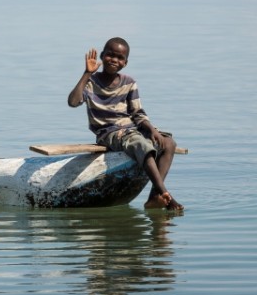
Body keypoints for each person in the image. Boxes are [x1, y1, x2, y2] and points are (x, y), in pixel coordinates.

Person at [67, 37, 184, 210]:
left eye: (120, 58)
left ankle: (154, 197)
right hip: (109, 133)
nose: (114, 60)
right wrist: (87, 73)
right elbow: (73, 102)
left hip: (131, 129)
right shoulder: (91, 83)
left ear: (125, 63)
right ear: (102, 56)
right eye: (110, 55)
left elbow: (137, 113)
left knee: (168, 143)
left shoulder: (129, 82)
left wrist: (151, 130)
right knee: (140, 144)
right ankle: (166, 194)